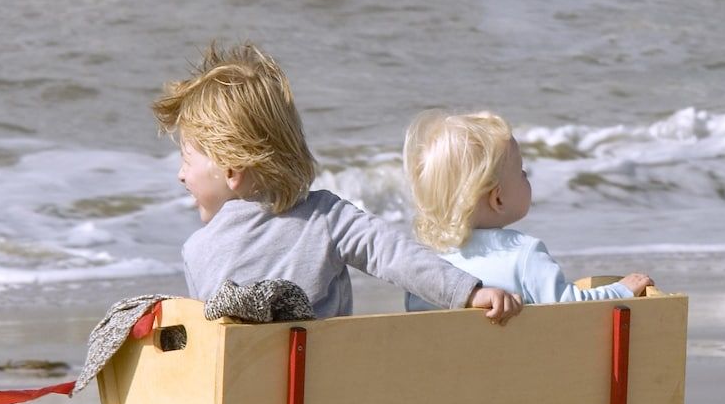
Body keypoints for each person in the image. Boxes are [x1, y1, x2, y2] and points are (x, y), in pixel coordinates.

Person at [153, 43, 520, 324]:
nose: (181, 174)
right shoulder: (325, 217)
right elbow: (394, 256)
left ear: (232, 171)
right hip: (322, 395)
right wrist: (468, 292)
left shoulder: (197, 249)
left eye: (186, 159)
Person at [401, 109, 654, 308]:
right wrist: (621, 290)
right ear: (497, 199)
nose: (526, 177)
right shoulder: (523, 255)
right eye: (522, 172)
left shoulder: (426, 265)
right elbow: (569, 307)